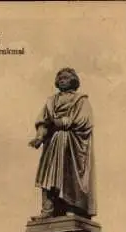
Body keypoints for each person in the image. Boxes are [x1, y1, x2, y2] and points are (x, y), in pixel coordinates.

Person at [28, 67, 96, 219]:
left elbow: (85, 120)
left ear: (73, 80)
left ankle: (72, 207)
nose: (62, 80)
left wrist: (63, 122)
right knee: (49, 175)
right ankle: (48, 209)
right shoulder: (51, 101)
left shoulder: (81, 100)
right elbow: (43, 121)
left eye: (66, 77)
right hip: (53, 143)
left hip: (72, 144)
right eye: (60, 78)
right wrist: (39, 137)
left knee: (69, 175)